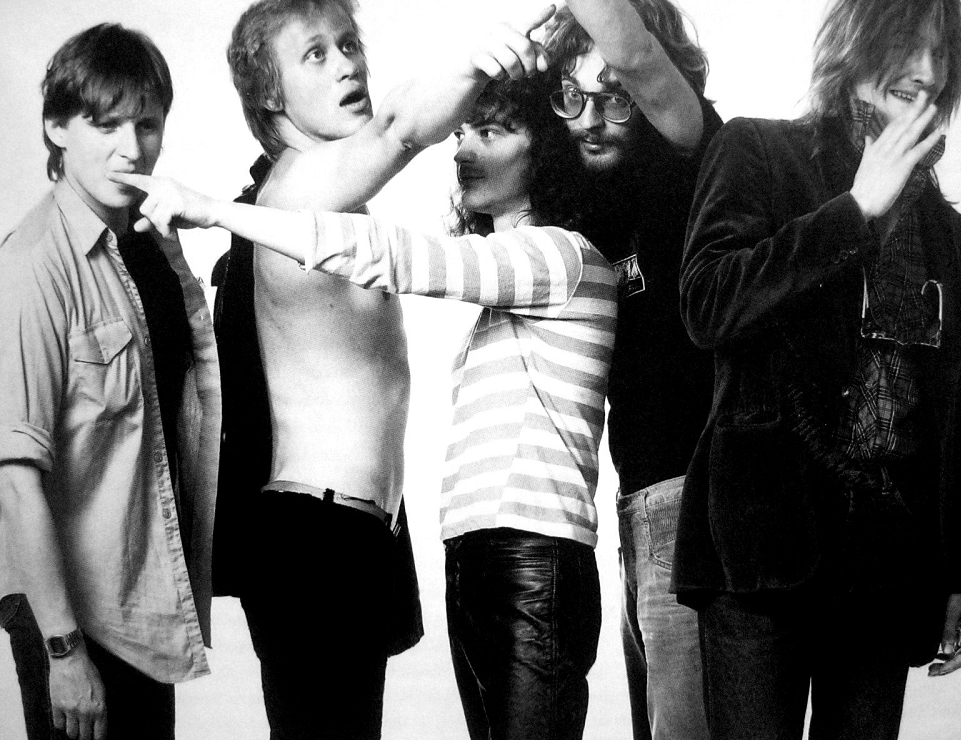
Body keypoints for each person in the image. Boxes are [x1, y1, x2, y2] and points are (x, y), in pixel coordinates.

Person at [114, 71, 618, 740]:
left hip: (534, 563)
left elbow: (393, 257)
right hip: (480, 558)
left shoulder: (562, 257)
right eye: (462, 134)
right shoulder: (516, 288)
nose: (464, 150)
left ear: (545, 150)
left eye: (491, 132)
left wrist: (217, 212)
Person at [206, 1, 553, 737]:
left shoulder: (336, 202)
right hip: (313, 539)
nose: (348, 64)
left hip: (351, 535)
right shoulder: (296, 191)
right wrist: (478, 58)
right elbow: (399, 129)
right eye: (316, 54)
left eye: (348, 44)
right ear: (270, 94)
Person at [675, 0, 961, 737]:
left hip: (886, 567)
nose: (927, 70)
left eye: (941, 53)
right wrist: (855, 211)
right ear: (854, 46)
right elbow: (708, 305)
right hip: (760, 553)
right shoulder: (757, 150)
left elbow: (955, 408)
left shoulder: (946, 230)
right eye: (907, 44)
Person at [0, 23, 220, 740]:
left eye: (147, 125)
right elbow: (14, 477)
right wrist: (63, 651)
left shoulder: (149, 248)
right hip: (71, 615)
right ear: (56, 127)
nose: (132, 149)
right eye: (106, 124)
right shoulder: (33, 264)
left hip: (141, 593)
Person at [543, 2, 721, 737]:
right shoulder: (586, 208)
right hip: (634, 508)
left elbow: (642, 57)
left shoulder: (689, 159)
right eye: (572, 95)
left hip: (690, 503)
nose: (589, 119)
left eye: (614, 97)